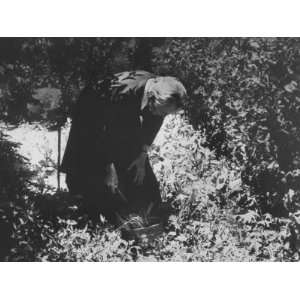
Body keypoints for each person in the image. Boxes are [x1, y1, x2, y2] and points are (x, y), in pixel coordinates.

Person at [60, 70, 187, 223]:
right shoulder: (124, 93)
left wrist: (142, 155)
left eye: (165, 114)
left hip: (121, 118)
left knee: (136, 163)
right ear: (152, 98)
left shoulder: (159, 91)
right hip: (92, 115)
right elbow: (102, 133)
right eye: (162, 112)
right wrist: (109, 167)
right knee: (89, 171)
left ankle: (147, 215)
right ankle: (89, 215)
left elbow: (153, 121)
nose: (162, 116)